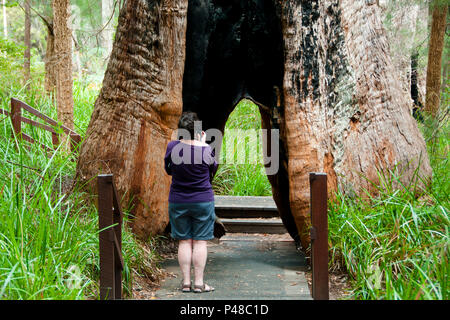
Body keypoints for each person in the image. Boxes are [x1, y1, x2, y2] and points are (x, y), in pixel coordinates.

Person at [163, 111, 218, 293]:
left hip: (178, 200)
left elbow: (168, 170)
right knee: (200, 242)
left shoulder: (172, 147)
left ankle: (186, 282)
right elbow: (212, 170)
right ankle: (199, 284)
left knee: (184, 242)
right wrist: (202, 144)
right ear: (199, 131)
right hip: (202, 200)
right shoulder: (207, 149)